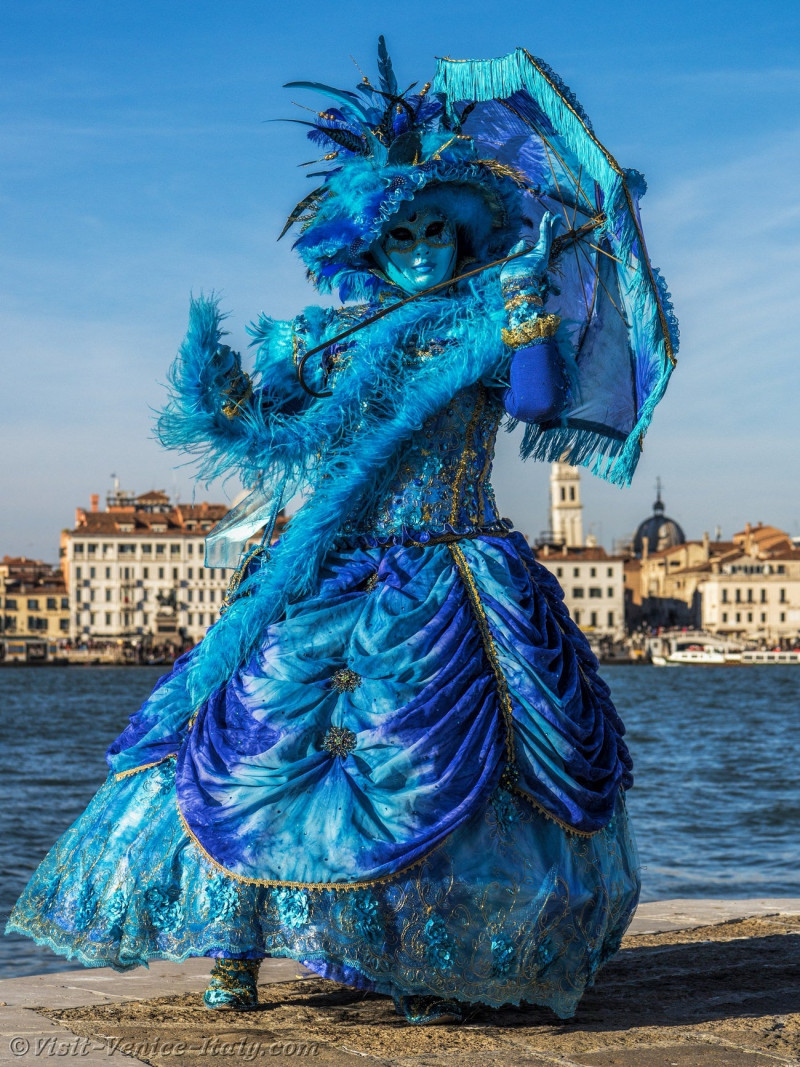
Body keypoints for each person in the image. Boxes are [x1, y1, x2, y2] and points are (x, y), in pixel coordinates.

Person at [8, 41, 677, 1024]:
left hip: (454, 572)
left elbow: (531, 400)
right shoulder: (339, 339)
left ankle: (424, 954)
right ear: (371, 242)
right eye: (398, 230)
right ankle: (233, 952)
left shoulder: (487, 320)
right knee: (255, 745)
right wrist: (250, 391)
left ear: (460, 239)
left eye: (434, 231)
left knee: (426, 761)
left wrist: (525, 321)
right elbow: (285, 446)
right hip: (332, 566)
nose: (417, 245)